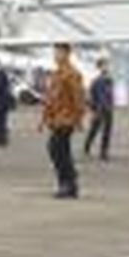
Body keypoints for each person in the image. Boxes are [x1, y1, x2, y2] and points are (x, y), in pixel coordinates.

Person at [40, 43, 85, 199]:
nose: (56, 56)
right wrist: (45, 118)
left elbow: (78, 98)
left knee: (57, 150)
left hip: (66, 119)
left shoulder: (72, 74)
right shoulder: (57, 74)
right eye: (55, 52)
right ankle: (68, 183)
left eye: (59, 52)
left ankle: (68, 183)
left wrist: (78, 119)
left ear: (67, 54)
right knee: (58, 151)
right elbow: (51, 98)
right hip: (57, 119)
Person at [84, 58, 115, 161]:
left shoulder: (110, 80)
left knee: (107, 131)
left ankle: (103, 152)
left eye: (107, 65)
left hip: (108, 110)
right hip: (98, 109)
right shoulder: (96, 81)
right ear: (99, 67)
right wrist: (93, 109)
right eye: (104, 65)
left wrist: (111, 105)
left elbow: (110, 96)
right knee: (94, 130)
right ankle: (87, 146)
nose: (106, 67)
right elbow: (91, 95)